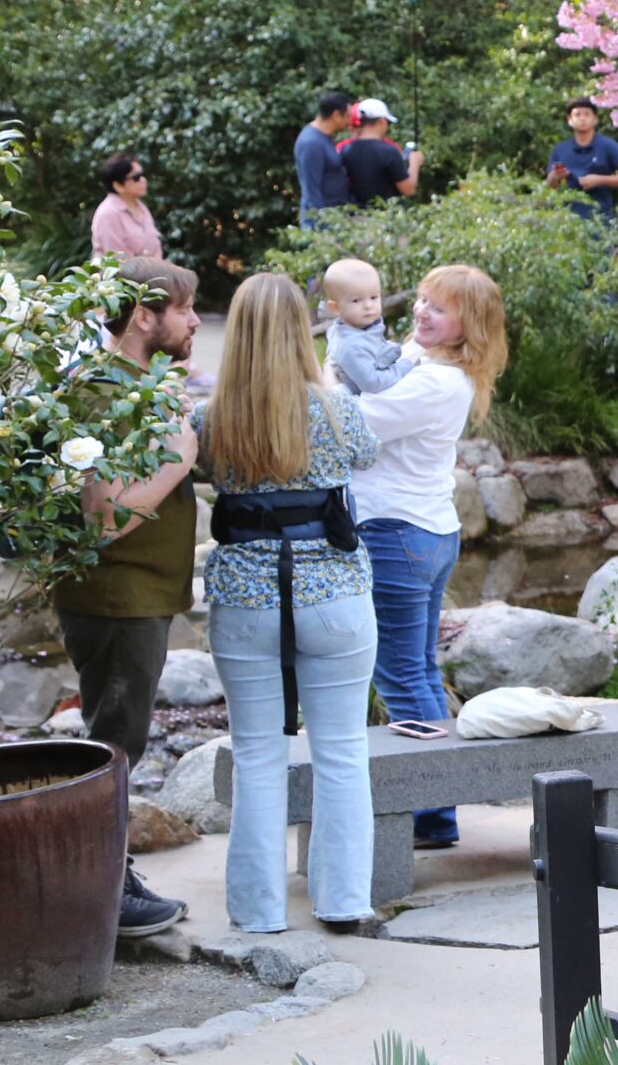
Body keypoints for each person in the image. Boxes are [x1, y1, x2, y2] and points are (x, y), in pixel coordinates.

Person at [197, 272, 380, 933]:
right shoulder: (337, 412)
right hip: (331, 592)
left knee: (256, 753)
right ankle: (343, 900)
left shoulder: (210, 419)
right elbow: (367, 451)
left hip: (245, 596)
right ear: (303, 330)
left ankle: (258, 909)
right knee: (340, 750)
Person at [49, 255, 201, 938]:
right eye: (186, 308)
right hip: (115, 597)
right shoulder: (100, 391)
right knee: (115, 745)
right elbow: (102, 517)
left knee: (122, 741)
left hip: (137, 595)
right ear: (145, 316)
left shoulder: (134, 385)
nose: (197, 320)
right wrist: (178, 462)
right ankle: (105, 893)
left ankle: (108, 881)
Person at [351, 265, 507, 849]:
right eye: (420, 300)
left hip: (397, 534)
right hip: (424, 531)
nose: (420, 312)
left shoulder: (436, 383)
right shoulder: (427, 365)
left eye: (437, 308)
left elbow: (348, 425)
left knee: (398, 675)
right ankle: (434, 811)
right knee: (416, 669)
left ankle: (432, 815)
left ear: (469, 326)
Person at [322, 258, 413, 395]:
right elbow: (372, 383)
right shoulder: (350, 346)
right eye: (356, 300)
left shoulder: (361, 327)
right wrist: (403, 368)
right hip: (362, 406)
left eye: (374, 297)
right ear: (335, 307)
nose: (368, 305)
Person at [544, 98, 618, 224]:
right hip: (569, 219)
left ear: (595, 119)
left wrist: (599, 180)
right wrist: (555, 175)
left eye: (587, 114)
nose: (582, 118)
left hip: (602, 218)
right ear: (569, 120)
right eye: (577, 114)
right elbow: (550, 185)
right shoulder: (560, 150)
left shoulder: (608, 145)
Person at [336, 98, 421, 205]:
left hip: (353, 215)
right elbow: (408, 190)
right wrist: (415, 163)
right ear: (381, 121)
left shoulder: (345, 150)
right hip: (383, 217)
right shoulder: (389, 151)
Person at [294, 91, 355, 229]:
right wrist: (321, 227)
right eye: (347, 117)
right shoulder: (311, 143)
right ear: (336, 115)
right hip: (321, 224)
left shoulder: (325, 137)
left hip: (334, 217)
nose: (348, 122)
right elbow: (311, 189)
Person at [90, 154, 163, 259]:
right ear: (118, 186)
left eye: (142, 175)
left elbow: (156, 251)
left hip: (154, 273)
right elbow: (119, 260)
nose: (143, 180)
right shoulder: (108, 214)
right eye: (136, 177)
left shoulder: (142, 209)